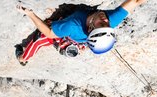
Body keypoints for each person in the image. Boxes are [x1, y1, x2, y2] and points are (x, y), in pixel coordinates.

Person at [15, 0, 147, 65]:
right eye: (107, 25)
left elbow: (49, 33)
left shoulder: (72, 26)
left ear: (90, 28)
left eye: (101, 24)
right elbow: (135, 1)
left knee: (38, 40)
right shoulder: (111, 20)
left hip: (68, 36)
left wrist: (30, 13)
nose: (105, 19)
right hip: (82, 39)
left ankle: (23, 58)